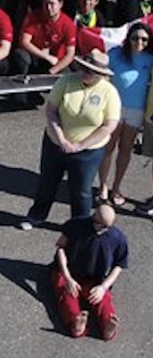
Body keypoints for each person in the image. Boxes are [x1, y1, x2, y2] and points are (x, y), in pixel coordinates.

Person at [22, 49, 119, 229]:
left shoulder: (109, 92)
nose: (84, 72)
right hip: (55, 142)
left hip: (89, 151)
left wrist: (81, 145)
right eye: (82, 67)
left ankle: (79, 226)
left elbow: (109, 125)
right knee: (47, 182)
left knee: (81, 191)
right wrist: (61, 139)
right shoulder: (65, 81)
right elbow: (51, 110)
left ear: (100, 74)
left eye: (90, 70)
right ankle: (36, 215)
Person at [51, 202, 127, 340]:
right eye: (99, 224)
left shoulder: (118, 238)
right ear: (93, 217)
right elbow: (60, 247)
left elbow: (119, 265)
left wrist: (103, 287)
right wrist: (67, 277)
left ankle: (107, 323)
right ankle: (76, 321)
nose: (101, 229)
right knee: (67, 293)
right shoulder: (75, 225)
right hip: (69, 272)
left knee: (103, 298)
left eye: (106, 227)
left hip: (94, 278)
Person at [100, 22, 151, 207]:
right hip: (114, 108)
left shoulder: (150, 59)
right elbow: (102, 75)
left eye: (144, 39)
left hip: (136, 111)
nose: (139, 42)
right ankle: (103, 186)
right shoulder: (115, 54)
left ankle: (117, 187)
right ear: (128, 39)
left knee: (125, 149)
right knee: (108, 148)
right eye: (135, 38)